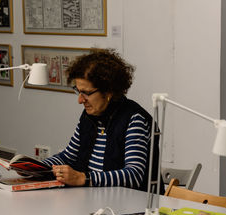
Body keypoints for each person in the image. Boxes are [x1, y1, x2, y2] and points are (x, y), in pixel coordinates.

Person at [42, 48, 161, 192]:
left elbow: (133, 175)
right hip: (96, 199)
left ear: (108, 91)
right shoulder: (89, 116)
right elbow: (68, 157)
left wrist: (83, 178)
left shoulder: (134, 120)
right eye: (78, 91)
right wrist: (35, 167)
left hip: (131, 206)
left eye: (86, 93)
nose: (80, 100)